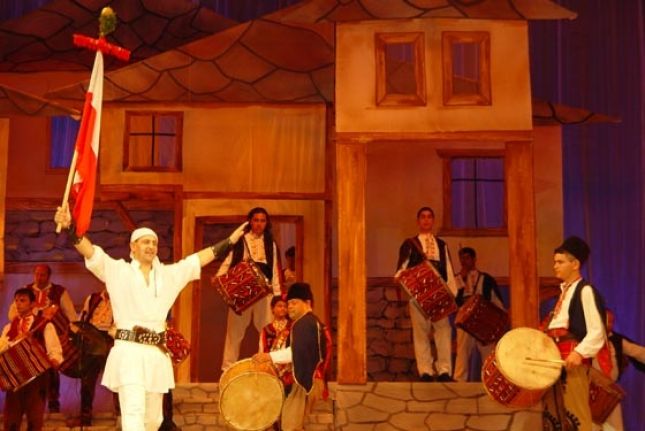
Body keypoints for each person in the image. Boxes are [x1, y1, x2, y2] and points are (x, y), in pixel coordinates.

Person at [54, 203, 247, 431]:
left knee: (154, 420)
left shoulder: (169, 274)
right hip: (129, 352)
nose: (151, 246)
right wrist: (71, 228)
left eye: (154, 243)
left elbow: (198, 259)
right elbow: (91, 252)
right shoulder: (118, 271)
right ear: (133, 247)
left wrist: (230, 241)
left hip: (156, 354)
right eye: (145, 242)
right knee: (133, 415)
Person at [542, 236, 609, 431]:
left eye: (560, 262)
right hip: (557, 361)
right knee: (554, 418)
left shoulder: (585, 291)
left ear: (575, 264)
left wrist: (579, 353)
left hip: (572, 362)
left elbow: (597, 331)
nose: (555, 266)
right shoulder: (564, 292)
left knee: (575, 417)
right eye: (555, 262)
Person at [252, 282, 329, 431]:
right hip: (305, 381)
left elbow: (295, 352)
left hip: (304, 382)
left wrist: (269, 356)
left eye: (294, 303)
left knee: (290, 426)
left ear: (307, 303)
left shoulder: (305, 323)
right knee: (293, 425)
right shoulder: (306, 322)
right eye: (288, 304)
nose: (290, 307)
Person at [395, 206, 458, 382]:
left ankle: (444, 370)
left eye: (429, 217)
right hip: (418, 296)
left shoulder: (441, 244)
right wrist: (406, 282)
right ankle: (425, 371)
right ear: (418, 221)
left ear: (433, 220)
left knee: (443, 331)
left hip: (439, 295)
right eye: (423, 217)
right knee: (421, 333)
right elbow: (402, 268)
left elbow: (448, 269)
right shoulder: (409, 244)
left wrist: (451, 294)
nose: (426, 220)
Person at [217, 207, 283, 370]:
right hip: (242, 292)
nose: (259, 224)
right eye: (256, 220)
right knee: (234, 332)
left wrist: (277, 295)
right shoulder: (240, 240)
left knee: (267, 329)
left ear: (266, 223)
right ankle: (228, 369)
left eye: (262, 221)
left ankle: (267, 367)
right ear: (250, 222)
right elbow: (229, 260)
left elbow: (275, 269)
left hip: (264, 292)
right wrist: (220, 278)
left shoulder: (271, 244)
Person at [7, 264, 77, 413]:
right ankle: (24, 407)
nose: (39, 278)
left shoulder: (59, 291)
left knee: (52, 369)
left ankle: (53, 404)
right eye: (37, 274)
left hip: (51, 336)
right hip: (29, 338)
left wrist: (70, 334)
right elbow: (12, 315)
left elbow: (72, 316)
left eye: (42, 275)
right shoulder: (26, 290)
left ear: (48, 276)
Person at [1, 288, 63, 431]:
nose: (18, 304)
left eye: (22, 300)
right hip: (15, 381)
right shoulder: (9, 327)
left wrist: (52, 361)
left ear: (33, 304)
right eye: (16, 300)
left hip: (37, 380)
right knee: (10, 422)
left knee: (34, 422)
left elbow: (55, 351)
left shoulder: (45, 325)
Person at [453, 247, 505, 382]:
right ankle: (459, 381)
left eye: (467, 258)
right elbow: (454, 300)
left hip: (483, 321)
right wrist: (461, 279)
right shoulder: (456, 279)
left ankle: (492, 380)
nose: (464, 261)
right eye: (462, 258)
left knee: (487, 352)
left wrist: (499, 321)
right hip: (464, 322)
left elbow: (496, 300)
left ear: (474, 259)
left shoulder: (486, 279)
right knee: (462, 352)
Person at [69, 287, 118, 426]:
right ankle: (85, 416)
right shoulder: (93, 298)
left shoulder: (121, 298)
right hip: (91, 337)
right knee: (87, 379)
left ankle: (121, 416)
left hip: (110, 339)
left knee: (116, 379)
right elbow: (83, 317)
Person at [591, 310, 645, 431]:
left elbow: (638, 352)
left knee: (614, 428)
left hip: (611, 393)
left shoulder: (616, 340)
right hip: (591, 392)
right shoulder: (585, 340)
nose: (609, 325)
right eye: (606, 321)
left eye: (611, 322)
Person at [259, 295, 293, 387]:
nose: (283, 309)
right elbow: (262, 350)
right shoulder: (266, 330)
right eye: (279, 306)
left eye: (285, 306)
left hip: (289, 370)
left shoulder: (292, 327)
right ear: (272, 308)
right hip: (271, 370)